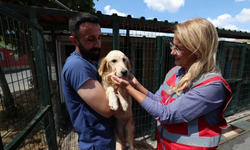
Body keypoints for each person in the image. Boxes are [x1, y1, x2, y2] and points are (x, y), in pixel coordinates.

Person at [111, 17, 232, 150]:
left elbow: (166, 114)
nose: (172, 52)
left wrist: (128, 89)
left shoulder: (212, 86)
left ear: (197, 50)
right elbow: (158, 101)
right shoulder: (175, 72)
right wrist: (135, 84)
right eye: (172, 46)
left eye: (178, 48)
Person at [61, 12, 116, 150]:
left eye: (99, 37)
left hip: (105, 138)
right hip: (96, 143)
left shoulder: (91, 61)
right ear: (74, 41)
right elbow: (108, 108)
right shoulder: (77, 66)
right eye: (91, 39)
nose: (97, 44)